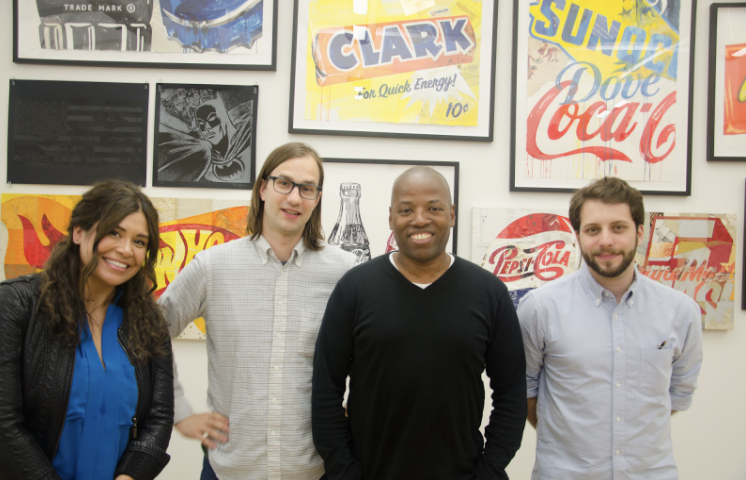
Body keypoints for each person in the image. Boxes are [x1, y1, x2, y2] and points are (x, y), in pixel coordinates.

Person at [312, 166, 527, 480]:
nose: (420, 219)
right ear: (390, 218)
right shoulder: (355, 288)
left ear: (451, 214)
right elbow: (325, 389)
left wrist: (489, 471)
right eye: (406, 209)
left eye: (434, 208)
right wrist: (344, 472)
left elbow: (511, 393)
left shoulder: (489, 292)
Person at [160, 142, 357, 479]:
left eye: (307, 188)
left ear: (317, 199)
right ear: (263, 188)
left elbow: (374, 353)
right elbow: (148, 335)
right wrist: (178, 411)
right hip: (229, 468)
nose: (294, 198)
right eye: (284, 183)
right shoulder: (213, 266)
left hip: (314, 469)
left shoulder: (345, 270)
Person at [517, 177, 704, 480]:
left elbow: (678, 395)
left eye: (618, 227)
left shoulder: (681, 311)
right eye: (593, 229)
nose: (605, 240)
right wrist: (572, 441)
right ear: (577, 235)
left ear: (639, 232)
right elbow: (524, 393)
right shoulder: (540, 308)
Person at [0, 179, 174, 480]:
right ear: (78, 232)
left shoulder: (148, 321)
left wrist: (130, 476)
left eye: (140, 241)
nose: (125, 249)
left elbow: (159, 418)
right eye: (113, 232)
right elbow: (4, 421)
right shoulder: (18, 303)